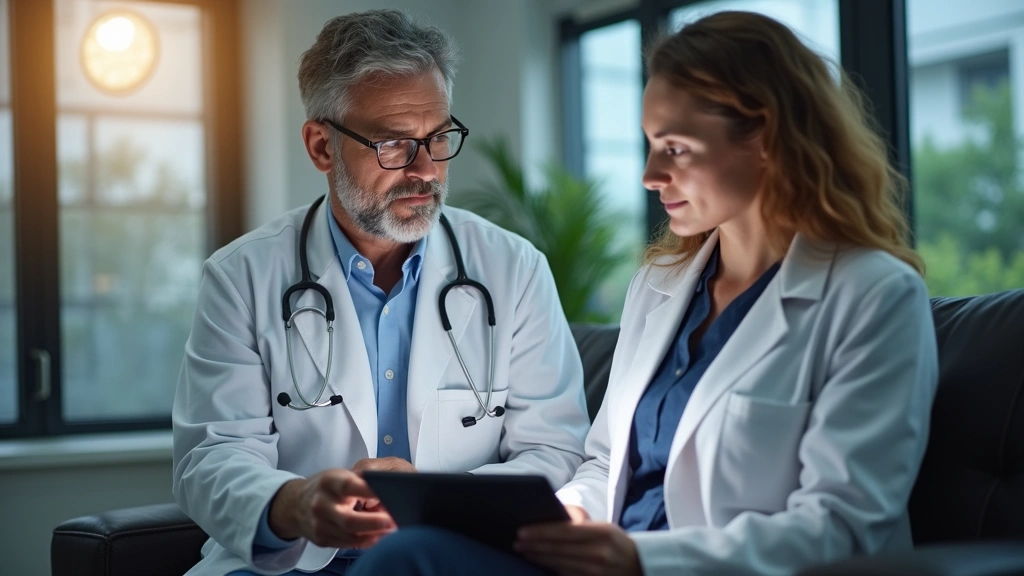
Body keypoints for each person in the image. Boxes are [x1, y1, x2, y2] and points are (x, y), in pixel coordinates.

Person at [347, 10, 940, 576]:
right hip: (604, 565)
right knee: (414, 555)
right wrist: (572, 515)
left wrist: (641, 562)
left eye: (675, 148)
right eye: (651, 144)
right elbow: (607, 464)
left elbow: (841, 526)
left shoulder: (875, 298)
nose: (650, 175)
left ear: (764, 136)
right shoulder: (662, 286)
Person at [171, 9, 591, 576]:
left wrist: (436, 499)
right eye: (394, 144)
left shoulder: (513, 268)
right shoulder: (241, 276)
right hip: (290, 565)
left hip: (444, 559)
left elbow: (557, 452)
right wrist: (292, 505)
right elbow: (213, 456)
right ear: (321, 146)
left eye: (438, 138)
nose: (426, 170)